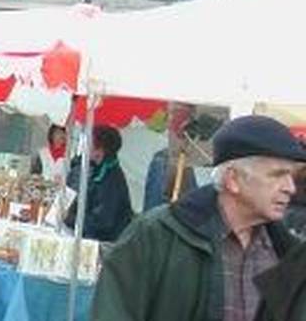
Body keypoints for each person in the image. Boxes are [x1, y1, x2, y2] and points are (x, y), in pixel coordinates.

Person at [92, 115, 306, 320]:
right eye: (277, 175)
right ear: (233, 179)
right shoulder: (155, 236)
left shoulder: (289, 254)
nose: (290, 187)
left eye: (292, 176)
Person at [66, 125, 132, 242]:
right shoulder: (92, 168)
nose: (84, 145)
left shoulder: (111, 179)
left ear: (100, 150)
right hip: (84, 236)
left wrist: (69, 218)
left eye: (89, 142)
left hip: (105, 244)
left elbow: (101, 222)